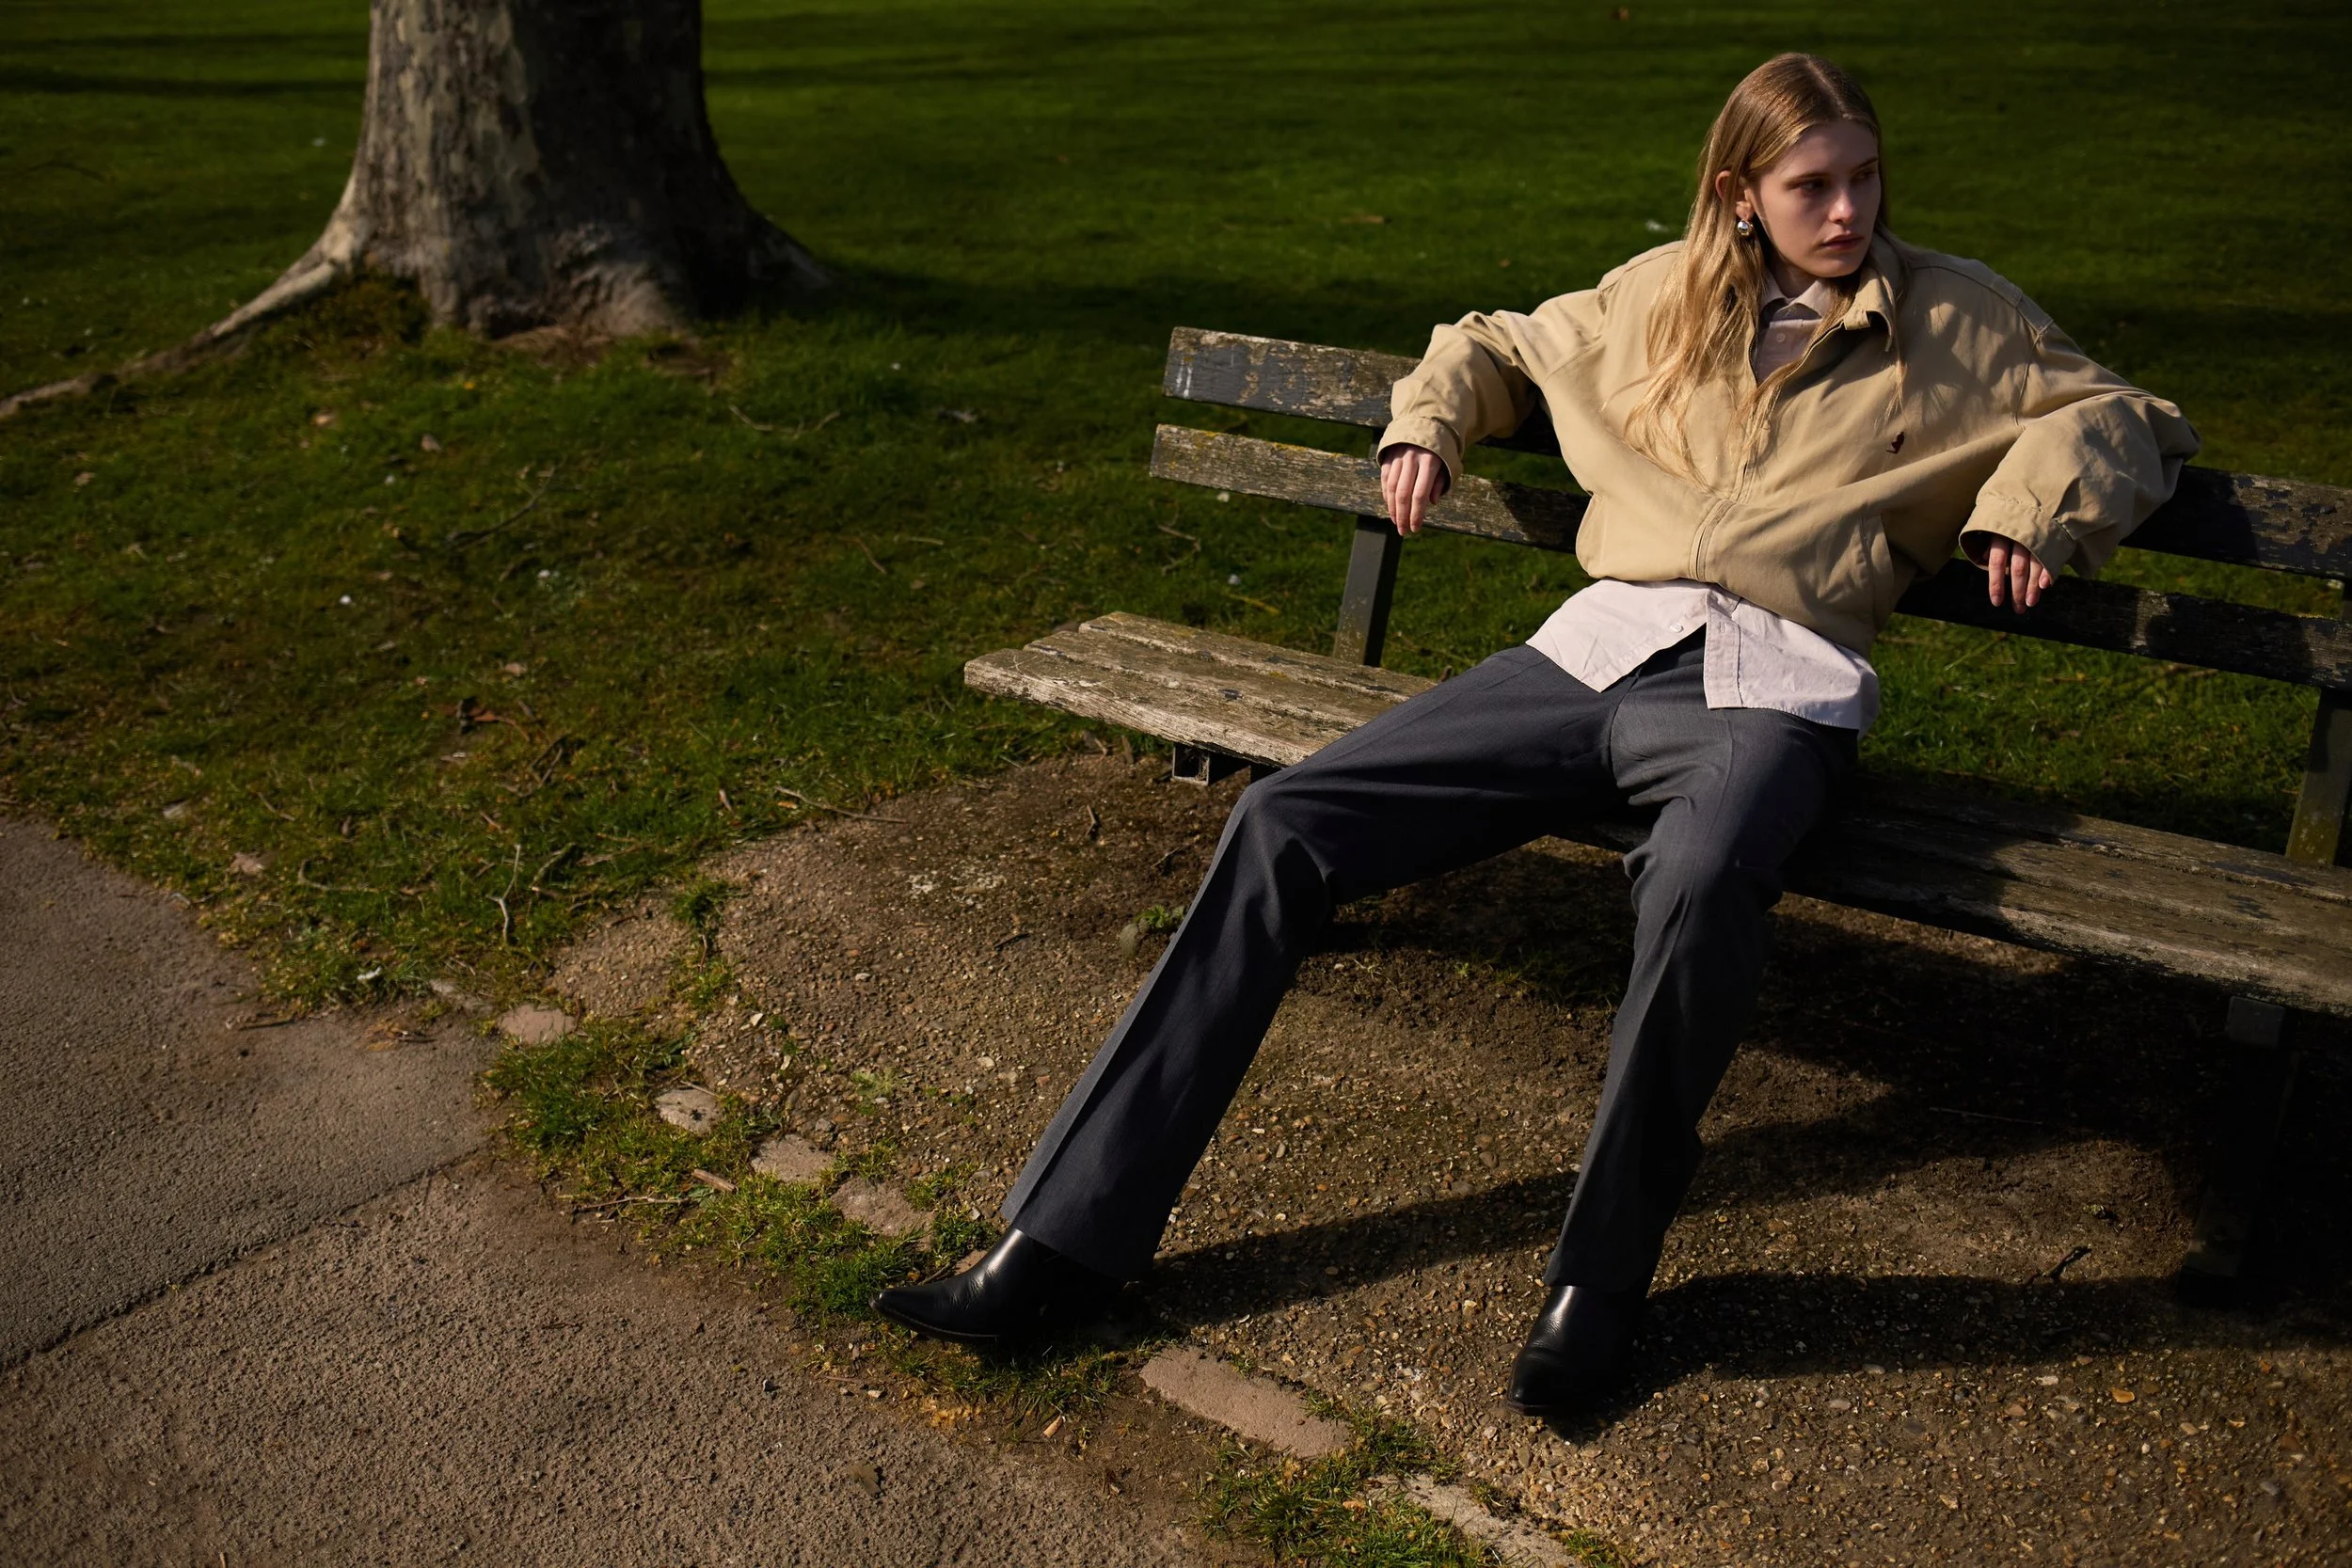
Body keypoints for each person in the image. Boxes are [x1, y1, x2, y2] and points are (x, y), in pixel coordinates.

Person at [875, 52, 2199, 1416]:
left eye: (1866, 177)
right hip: (1592, 661)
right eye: (1814, 185)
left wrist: (2034, 507)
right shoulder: (1656, 302)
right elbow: (1497, 341)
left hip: (1772, 689)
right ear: (1740, 194)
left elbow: (2129, 416)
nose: (1850, 210)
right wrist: (1430, 425)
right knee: (1285, 819)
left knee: (1695, 883)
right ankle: (1057, 1241)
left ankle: (1597, 1285)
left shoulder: (1957, 318)